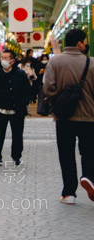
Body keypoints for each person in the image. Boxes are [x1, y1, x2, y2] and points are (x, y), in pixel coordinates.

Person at [42, 28, 94, 205]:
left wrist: (55, 105)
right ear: (80, 43)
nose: (86, 44)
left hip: (63, 117)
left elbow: (48, 88)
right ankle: (88, 177)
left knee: (66, 154)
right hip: (88, 117)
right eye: (85, 41)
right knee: (88, 152)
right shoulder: (91, 62)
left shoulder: (55, 62)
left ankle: (69, 193)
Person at [0, 46, 30, 167]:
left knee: (17, 134)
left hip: (17, 111)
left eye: (6, 58)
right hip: (0, 110)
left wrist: (23, 103)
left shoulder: (20, 74)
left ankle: (16, 156)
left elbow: (27, 91)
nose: (3, 60)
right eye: (2, 58)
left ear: (12, 60)